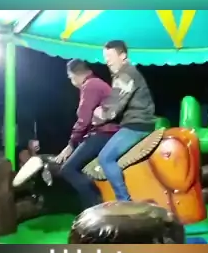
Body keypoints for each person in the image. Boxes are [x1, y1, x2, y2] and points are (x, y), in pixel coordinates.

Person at [93, 40, 155, 201]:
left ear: (123, 56)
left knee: (105, 158)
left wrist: (95, 117)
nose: (107, 61)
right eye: (105, 57)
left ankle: (124, 201)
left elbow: (112, 108)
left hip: (137, 125)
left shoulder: (125, 74)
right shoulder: (126, 73)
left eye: (110, 56)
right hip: (135, 122)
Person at [56, 60, 118, 208]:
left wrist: (71, 145)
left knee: (68, 169)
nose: (72, 82)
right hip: (106, 131)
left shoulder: (90, 86)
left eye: (71, 78)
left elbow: (84, 119)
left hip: (104, 133)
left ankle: (95, 204)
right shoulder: (96, 83)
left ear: (75, 74)